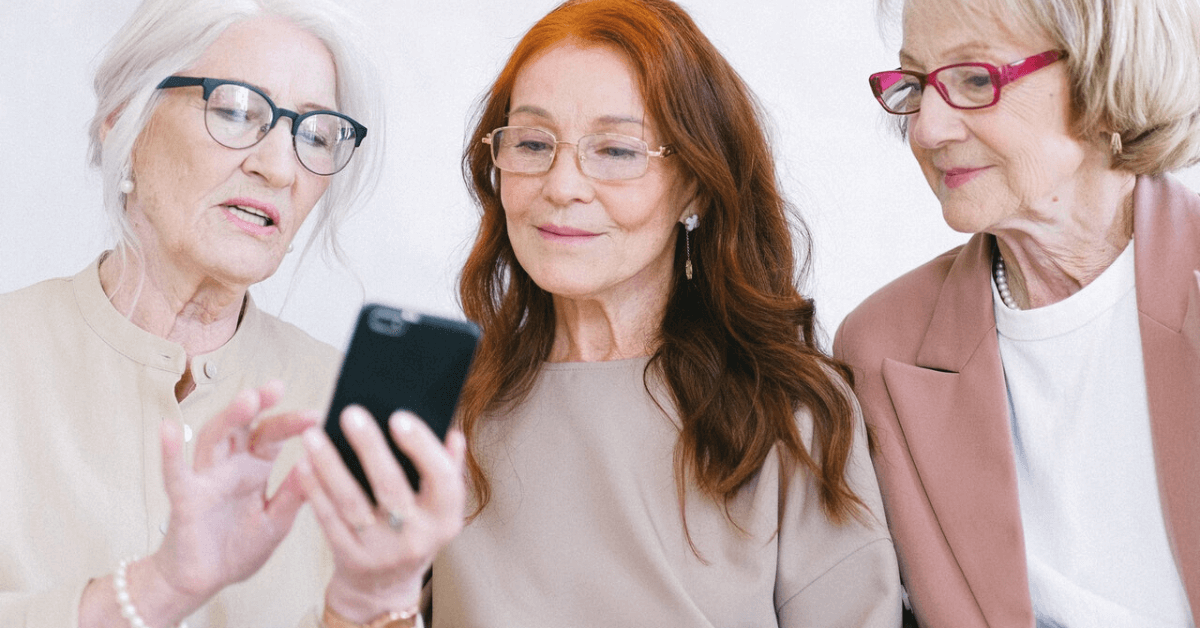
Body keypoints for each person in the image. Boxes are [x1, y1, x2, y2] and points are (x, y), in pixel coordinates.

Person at [429, 0, 903, 625]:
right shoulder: (439, 410)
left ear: (697, 184)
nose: (562, 185)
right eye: (533, 142)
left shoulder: (791, 415)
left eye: (617, 151)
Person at [0, 1, 464, 627]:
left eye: (315, 134)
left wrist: (370, 603)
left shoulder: (344, 415)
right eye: (236, 110)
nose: (277, 167)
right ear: (123, 121)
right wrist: (160, 588)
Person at [834, 0, 1200, 625]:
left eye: (975, 79)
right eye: (917, 86)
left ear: (1106, 78)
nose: (927, 130)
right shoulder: (880, 349)